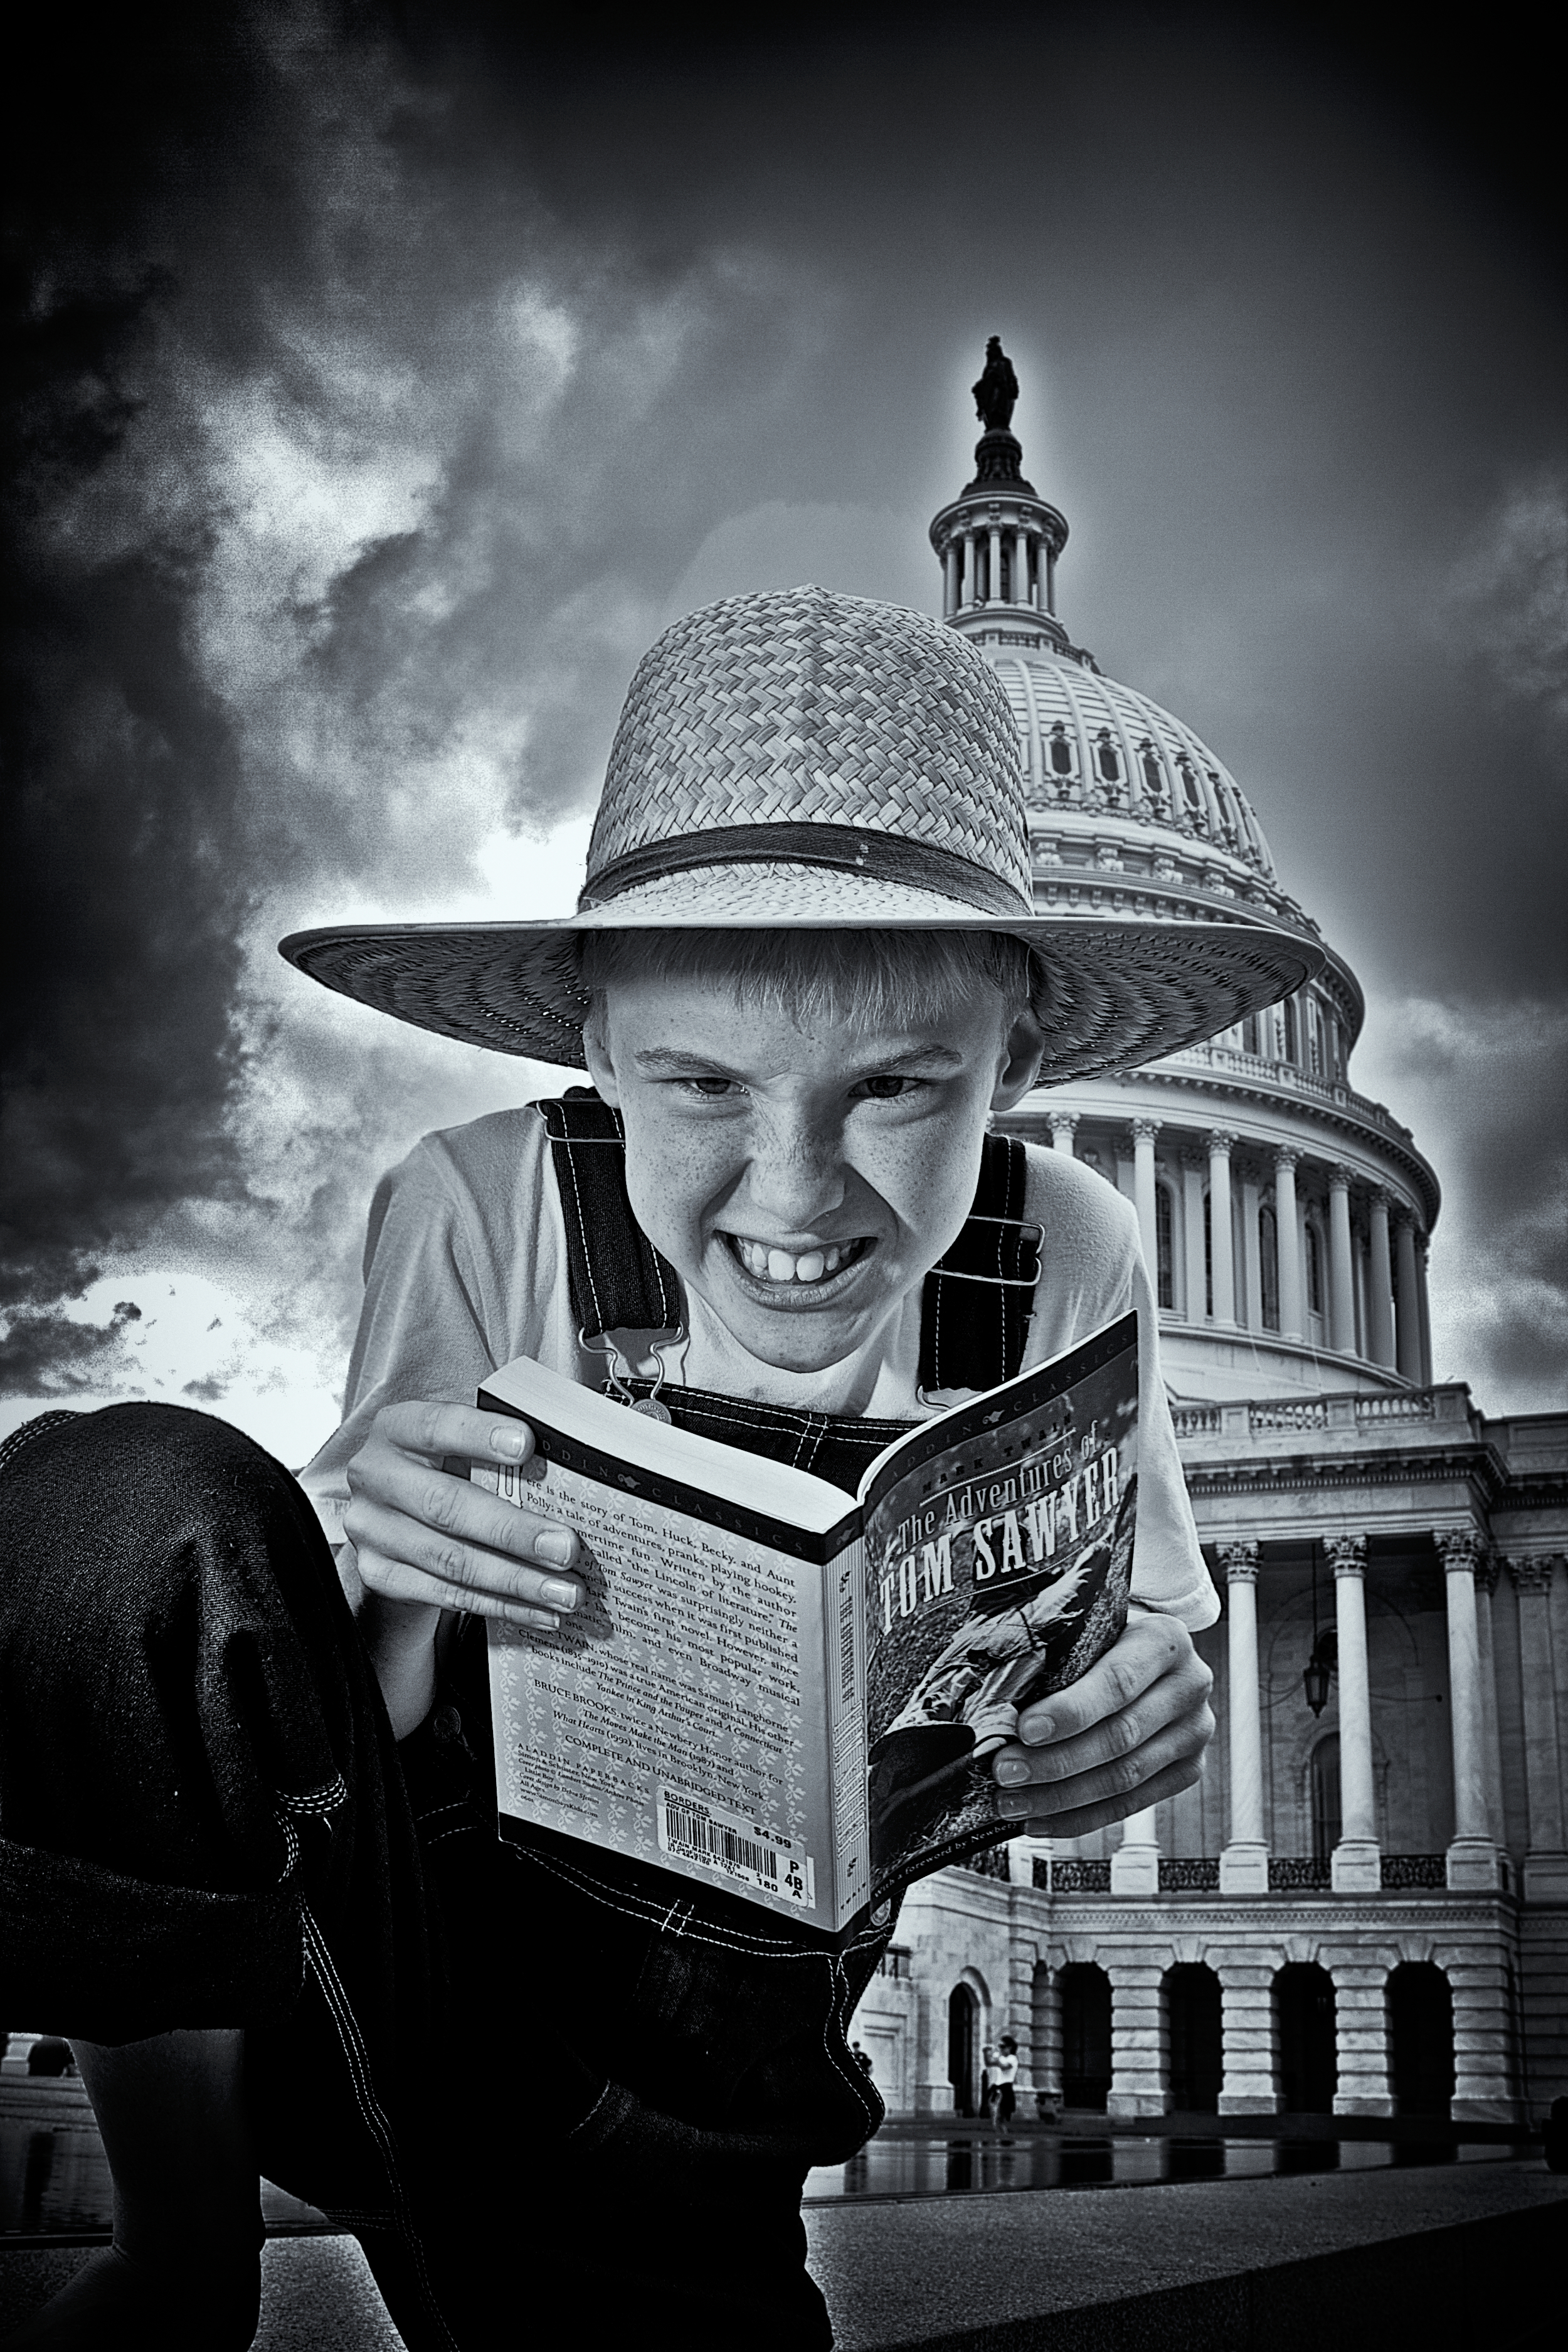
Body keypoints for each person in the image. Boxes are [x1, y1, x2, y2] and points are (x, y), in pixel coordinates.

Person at [0, 586, 1318, 2350]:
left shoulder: (1069, 1245)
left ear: (1008, 1060)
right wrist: (375, 1551)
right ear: (596, 1046)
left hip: (693, 2106)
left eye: (898, 1085)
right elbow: (347, 1732)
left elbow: (1136, 1644)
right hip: (369, 1973)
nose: (790, 1194)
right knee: (111, 1503)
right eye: (698, 1083)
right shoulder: (473, 1199)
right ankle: (183, 2237)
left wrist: (1130, 1721)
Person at [990, 2036, 1019, 2131]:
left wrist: (997, 2057)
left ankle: (1003, 2131)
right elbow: (990, 2062)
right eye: (1000, 2046)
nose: (1001, 2049)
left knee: (1002, 2112)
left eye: (1003, 2047)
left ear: (1010, 2047)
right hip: (998, 2085)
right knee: (995, 2110)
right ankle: (999, 2131)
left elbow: (1005, 2067)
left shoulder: (1013, 2058)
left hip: (1006, 2086)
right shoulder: (1002, 2058)